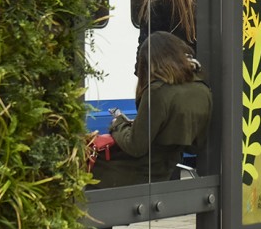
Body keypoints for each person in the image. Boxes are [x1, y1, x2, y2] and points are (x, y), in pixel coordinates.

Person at [90, 31, 211, 189]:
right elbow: (194, 146)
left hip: (128, 175)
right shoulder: (203, 90)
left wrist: (118, 123)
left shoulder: (157, 91)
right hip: (163, 174)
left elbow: (135, 145)